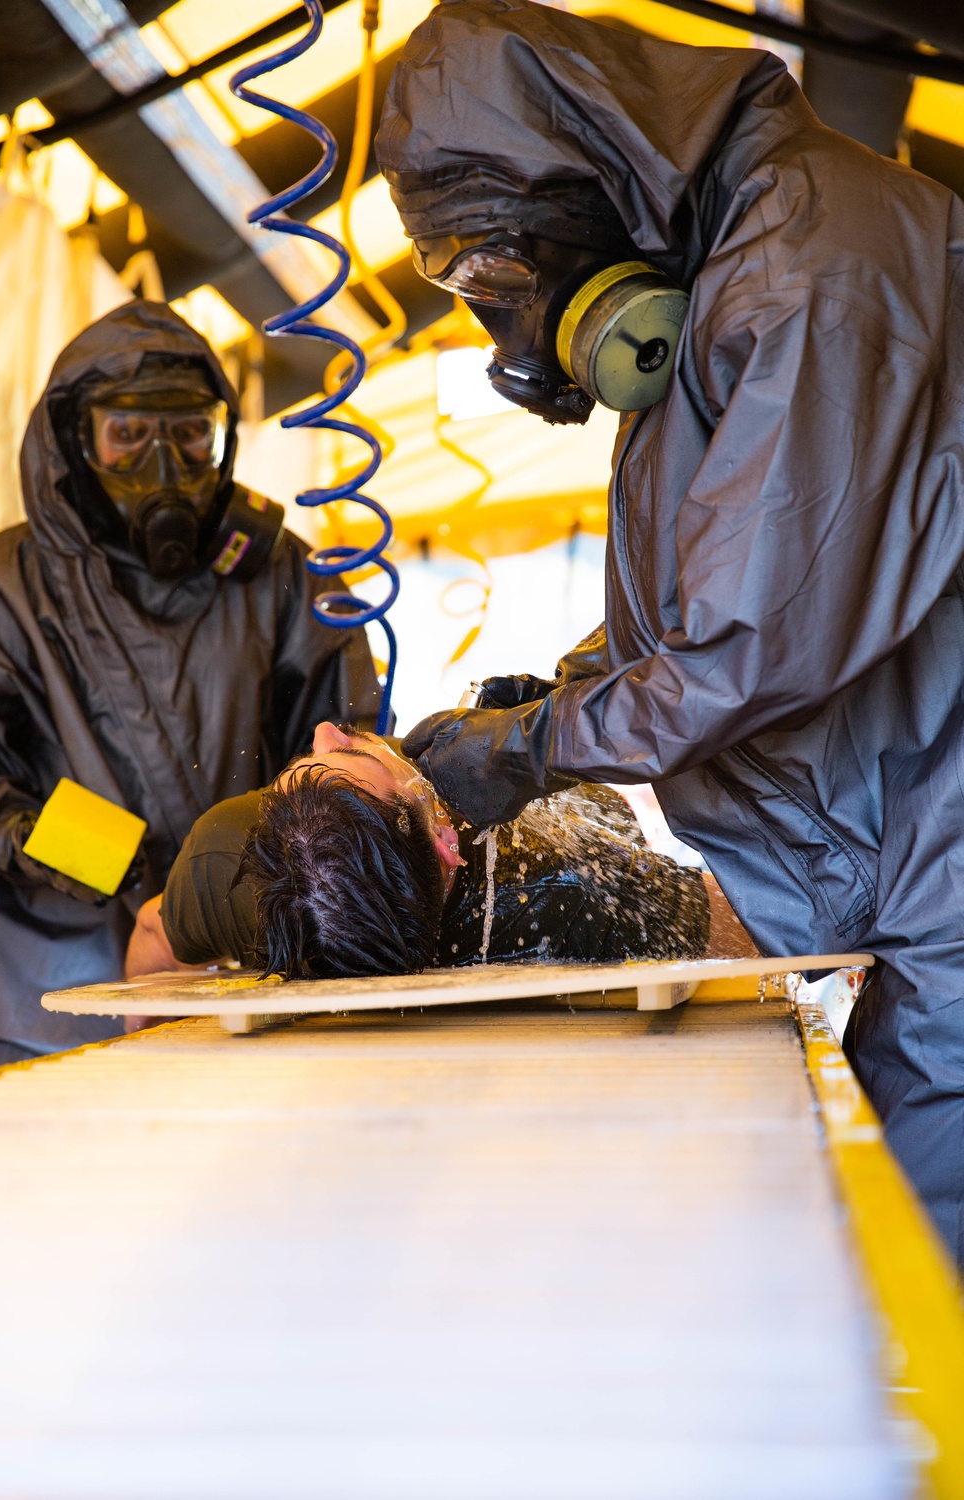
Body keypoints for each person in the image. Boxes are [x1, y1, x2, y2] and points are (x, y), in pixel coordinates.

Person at [374, 0, 964, 1264]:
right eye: (464, 285)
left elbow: (757, 643)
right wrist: (572, 684)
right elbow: (726, 576)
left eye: (500, 270)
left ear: (594, 177)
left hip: (942, 863)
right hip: (912, 859)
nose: (502, 321)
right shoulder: (719, 270)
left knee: (919, 1258)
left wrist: (533, 747)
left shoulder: (810, 266)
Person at [0, 301, 380, 1074]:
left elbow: (342, 748)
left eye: (192, 434)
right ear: (72, 442)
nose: (166, 468)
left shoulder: (283, 574)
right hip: (40, 1004)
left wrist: (240, 889)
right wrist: (89, 852)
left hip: (243, 988)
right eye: (127, 436)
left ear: (224, 438)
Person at [126, 721, 753, 984]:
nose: (324, 728)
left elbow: (152, 938)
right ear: (444, 840)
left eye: (308, 765)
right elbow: (759, 925)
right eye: (347, 753)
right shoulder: (566, 894)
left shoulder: (225, 850)